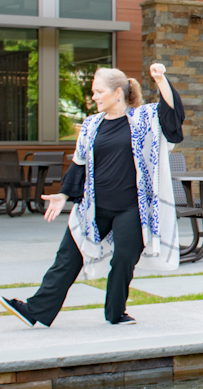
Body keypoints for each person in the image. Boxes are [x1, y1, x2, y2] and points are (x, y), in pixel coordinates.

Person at [2, 64, 185, 328]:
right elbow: (79, 164)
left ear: (118, 93)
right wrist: (64, 195)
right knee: (67, 257)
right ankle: (35, 310)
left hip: (131, 208)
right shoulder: (90, 125)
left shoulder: (144, 119)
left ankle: (115, 312)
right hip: (94, 206)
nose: (94, 97)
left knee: (123, 259)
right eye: (93, 92)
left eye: (99, 91)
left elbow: (172, 115)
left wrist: (160, 79)